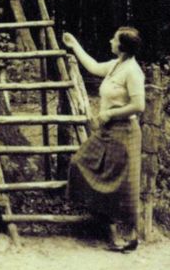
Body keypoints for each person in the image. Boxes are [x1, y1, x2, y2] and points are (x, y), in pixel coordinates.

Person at [62, 27, 145, 252]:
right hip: (106, 131)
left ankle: (129, 237)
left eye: (114, 39)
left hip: (125, 131)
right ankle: (103, 223)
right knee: (79, 162)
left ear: (122, 46)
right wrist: (74, 44)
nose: (110, 40)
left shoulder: (133, 71)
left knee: (124, 186)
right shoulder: (116, 65)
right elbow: (93, 66)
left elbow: (139, 105)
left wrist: (110, 113)